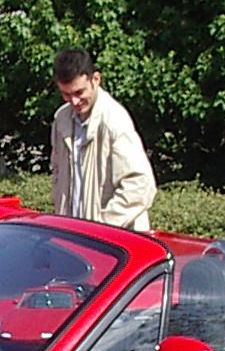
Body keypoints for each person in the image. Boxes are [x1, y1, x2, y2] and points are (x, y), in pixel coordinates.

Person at [49, 48, 155, 231]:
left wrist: (102, 227)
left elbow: (140, 185)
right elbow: (58, 173)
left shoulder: (114, 120)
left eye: (79, 92)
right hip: (74, 236)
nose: (74, 102)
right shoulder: (61, 120)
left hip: (113, 242)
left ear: (95, 79)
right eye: (66, 94)